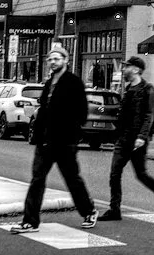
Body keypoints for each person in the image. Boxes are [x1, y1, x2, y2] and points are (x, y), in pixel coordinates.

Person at [9, 45, 97, 233]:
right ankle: (30, 221)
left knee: (72, 179)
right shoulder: (49, 83)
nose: (53, 62)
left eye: (57, 58)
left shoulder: (74, 82)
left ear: (65, 60)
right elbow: (43, 111)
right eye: (50, 59)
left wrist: (72, 134)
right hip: (45, 142)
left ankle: (88, 211)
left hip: (65, 142)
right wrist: (37, 135)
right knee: (37, 180)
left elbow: (81, 113)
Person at [99, 56, 154, 221]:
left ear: (135, 69)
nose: (123, 69)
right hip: (124, 138)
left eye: (126, 67)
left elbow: (149, 115)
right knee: (114, 173)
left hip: (137, 140)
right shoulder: (128, 89)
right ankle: (114, 209)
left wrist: (142, 136)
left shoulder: (148, 89)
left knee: (141, 174)